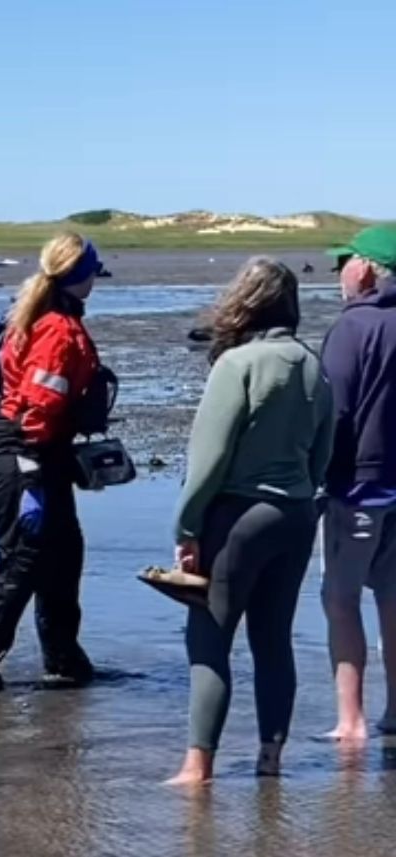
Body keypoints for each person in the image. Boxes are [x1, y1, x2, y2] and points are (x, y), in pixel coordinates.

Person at [166, 259, 333, 786]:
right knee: (273, 639)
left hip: (237, 516)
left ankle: (198, 767)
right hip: (298, 515)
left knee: (209, 637)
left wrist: (186, 528)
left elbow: (208, 460)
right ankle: (270, 760)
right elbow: (322, 455)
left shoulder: (237, 364)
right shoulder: (313, 364)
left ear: (245, 300)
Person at [0, 232, 110, 691]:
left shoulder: (45, 317)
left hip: (34, 450)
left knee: (64, 551)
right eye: (93, 273)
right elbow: (41, 400)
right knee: (24, 554)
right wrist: (36, 461)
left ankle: (63, 658)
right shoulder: (57, 329)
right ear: (80, 276)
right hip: (21, 451)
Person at [319, 225, 396, 743]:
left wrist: (316, 477)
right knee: (393, 598)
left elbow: (334, 411)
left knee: (340, 599)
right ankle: (393, 710)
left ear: (366, 268)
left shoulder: (353, 327)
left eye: (344, 261)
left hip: (358, 486)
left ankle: (352, 720)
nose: (339, 271)